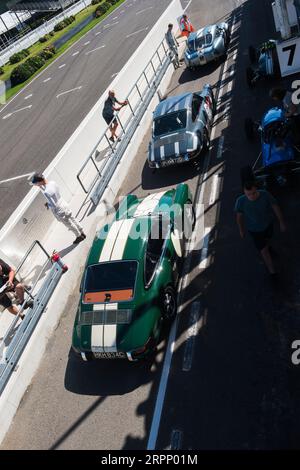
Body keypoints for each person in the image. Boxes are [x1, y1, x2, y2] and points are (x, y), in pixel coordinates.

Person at [235, 180, 286, 276]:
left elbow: (275, 206)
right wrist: (241, 230)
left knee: (268, 240)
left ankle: (268, 247)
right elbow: (239, 217)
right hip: (255, 231)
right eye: (248, 194)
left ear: (257, 189)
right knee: (264, 250)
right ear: (244, 192)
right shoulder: (240, 201)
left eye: (253, 193)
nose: (251, 197)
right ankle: (272, 271)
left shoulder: (265, 195)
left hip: (268, 225)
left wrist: (281, 222)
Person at [31, 173, 86, 245]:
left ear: (39, 182)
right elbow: (51, 191)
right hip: (63, 203)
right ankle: (82, 233)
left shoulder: (46, 192)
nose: (37, 184)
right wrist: (41, 187)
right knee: (72, 218)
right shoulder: (52, 183)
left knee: (69, 224)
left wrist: (48, 204)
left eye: (37, 183)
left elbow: (53, 204)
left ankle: (79, 236)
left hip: (59, 209)